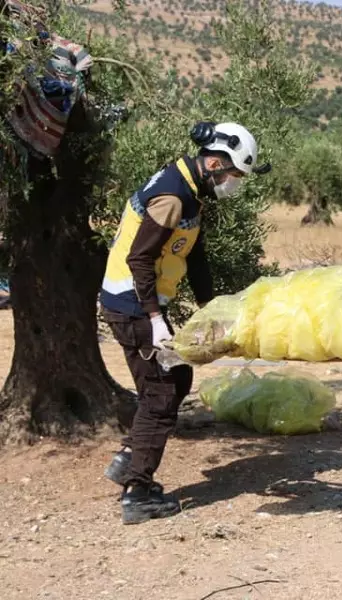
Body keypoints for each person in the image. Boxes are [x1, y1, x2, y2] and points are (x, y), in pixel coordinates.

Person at [99, 121, 268, 525]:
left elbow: (195, 255)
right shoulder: (173, 196)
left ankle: (129, 458)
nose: (233, 183)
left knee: (176, 379)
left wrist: (213, 309)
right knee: (160, 395)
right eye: (233, 174)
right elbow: (139, 258)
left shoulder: (191, 191)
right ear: (214, 163)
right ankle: (138, 493)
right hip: (133, 306)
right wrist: (156, 319)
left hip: (139, 304)